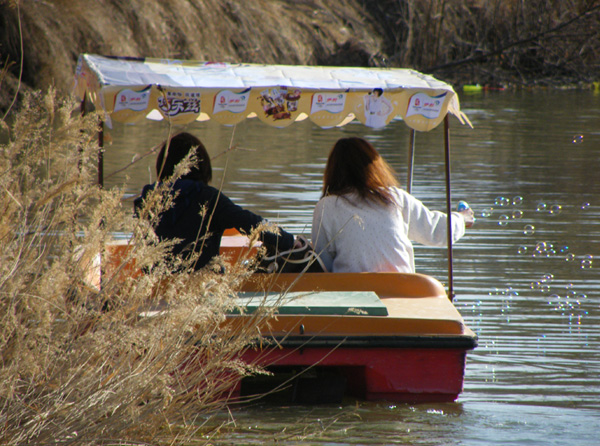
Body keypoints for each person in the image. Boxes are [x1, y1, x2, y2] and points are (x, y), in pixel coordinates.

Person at [134, 132, 296, 271]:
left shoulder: (145, 201)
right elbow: (251, 224)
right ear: (201, 166)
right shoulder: (207, 198)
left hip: (154, 288)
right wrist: (290, 241)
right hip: (201, 290)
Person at [311, 137, 474, 273]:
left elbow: (323, 264)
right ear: (374, 169)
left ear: (332, 171)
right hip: (403, 290)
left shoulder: (326, 206)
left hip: (352, 293)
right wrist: (461, 218)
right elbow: (437, 231)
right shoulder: (395, 198)